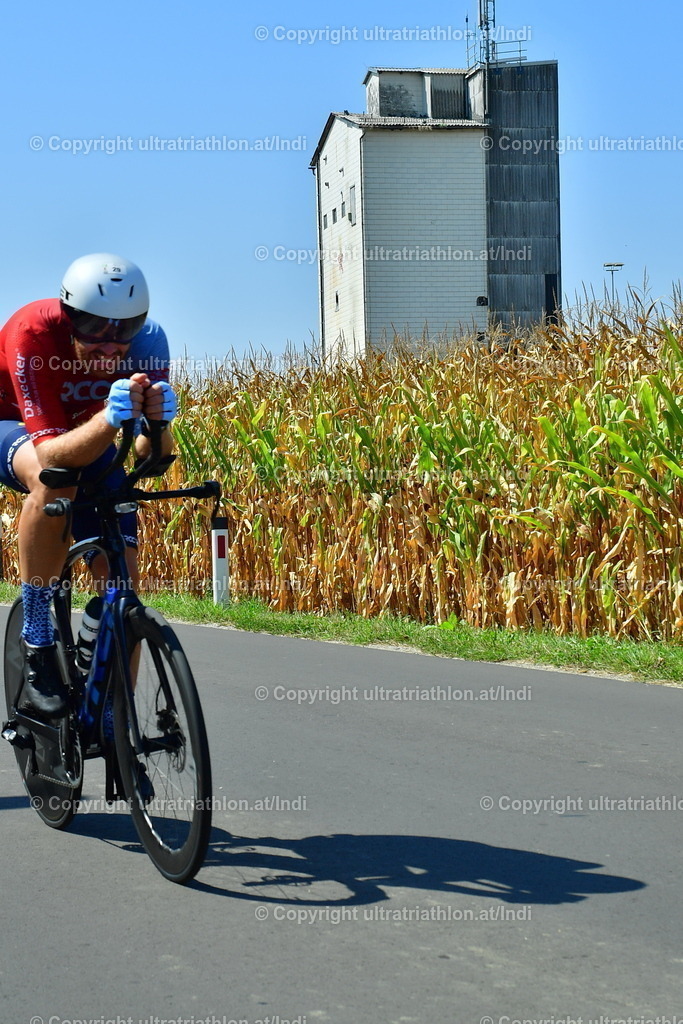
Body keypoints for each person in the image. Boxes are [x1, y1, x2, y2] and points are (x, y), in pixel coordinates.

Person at [0, 252, 178, 718]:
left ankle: (116, 718)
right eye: (96, 330)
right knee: (53, 482)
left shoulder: (149, 341)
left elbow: (149, 457)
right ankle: (37, 635)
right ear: (69, 314)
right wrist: (108, 417)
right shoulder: (33, 331)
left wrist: (158, 427)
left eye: (124, 332)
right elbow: (53, 455)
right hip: (14, 425)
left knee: (123, 585)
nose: (110, 346)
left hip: (85, 432)